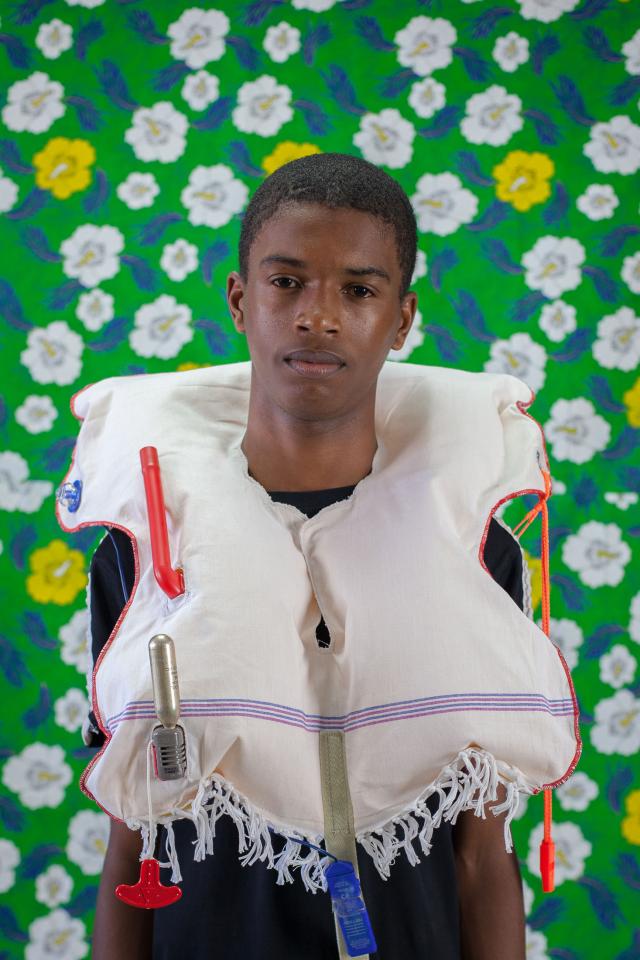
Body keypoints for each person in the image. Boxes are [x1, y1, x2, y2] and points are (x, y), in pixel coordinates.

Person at [84, 152, 531, 959]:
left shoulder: (475, 544)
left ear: (402, 318)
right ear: (240, 299)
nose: (317, 316)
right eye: (286, 282)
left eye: (358, 290)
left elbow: (481, 857)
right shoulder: (142, 547)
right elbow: (130, 842)